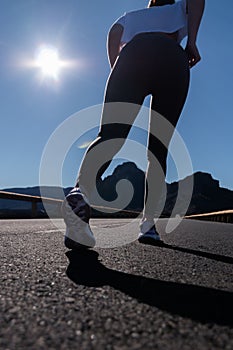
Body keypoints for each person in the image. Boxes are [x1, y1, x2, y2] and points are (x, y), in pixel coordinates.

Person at [62, 0, 205, 249]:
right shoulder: (179, 8)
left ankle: (80, 192)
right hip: (172, 57)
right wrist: (191, 40)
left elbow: (113, 34)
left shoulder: (131, 17)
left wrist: (118, 69)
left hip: (132, 57)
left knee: (110, 135)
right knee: (158, 148)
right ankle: (148, 225)